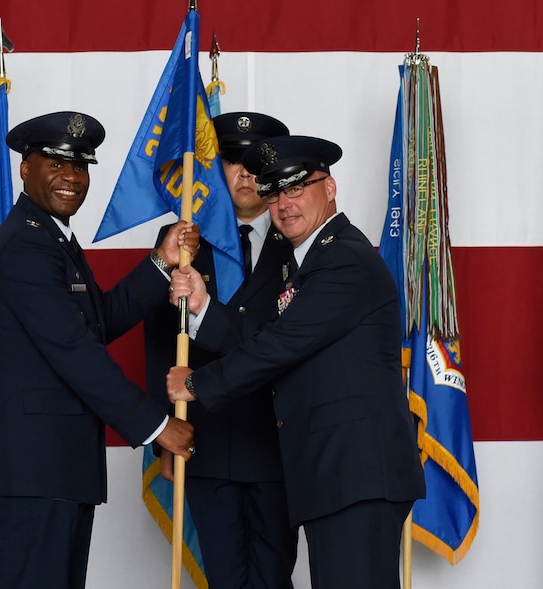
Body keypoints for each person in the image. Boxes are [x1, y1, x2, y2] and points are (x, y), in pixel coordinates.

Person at [166, 135, 426, 588]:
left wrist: (195, 385)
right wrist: (205, 307)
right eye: (275, 192)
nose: (285, 204)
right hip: (334, 479)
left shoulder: (344, 260)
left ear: (330, 188)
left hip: (357, 477)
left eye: (298, 187)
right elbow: (271, 337)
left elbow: (277, 348)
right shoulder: (309, 261)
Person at [0, 111, 198, 589]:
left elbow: (97, 321)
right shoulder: (23, 249)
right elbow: (75, 351)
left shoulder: (52, 241)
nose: (71, 178)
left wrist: (160, 261)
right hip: (35, 475)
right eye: (55, 164)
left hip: (57, 471)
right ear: (25, 168)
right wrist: (157, 425)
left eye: (80, 167)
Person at [143, 112, 298, 588]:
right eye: (232, 160)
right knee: (225, 578)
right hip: (207, 441)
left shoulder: (299, 240)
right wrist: (164, 431)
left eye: (257, 162)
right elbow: (159, 345)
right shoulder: (183, 244)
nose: (246, 173)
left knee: (273, 578)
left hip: (278, 443)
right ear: (214, 169)